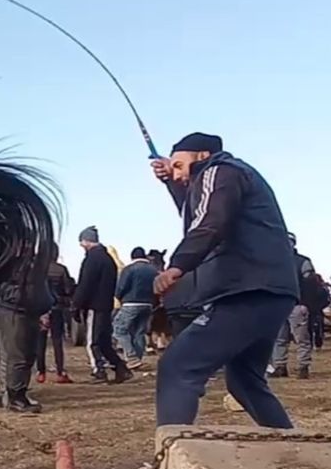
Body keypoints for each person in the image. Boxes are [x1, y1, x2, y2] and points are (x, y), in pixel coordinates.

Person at [148, 133, 298, 432]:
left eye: (178, 165)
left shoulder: (219, 171)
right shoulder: (232, 175)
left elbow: (209, 221)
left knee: (178, 366)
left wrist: (178, 266)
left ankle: (170, 452)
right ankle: (295, 448)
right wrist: (171, 182)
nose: (176, 173)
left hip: (246, 289)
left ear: (202, 156)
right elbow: (198, 211)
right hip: (271, 289)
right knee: (244, 381)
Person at [72, 226, 132, 384]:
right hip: (106, 304)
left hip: (95, 305)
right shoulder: (108, 259)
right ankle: (120, 368)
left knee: (93, 341)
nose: (81, 246)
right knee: (104, 341)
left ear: (86, 241)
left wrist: (76, 304)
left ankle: (99, 370)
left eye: (81, 242)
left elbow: (85, 284)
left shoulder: (92, 259)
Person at [0, 257, 52, 414]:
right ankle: (15, 398)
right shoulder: (12, 264)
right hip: (15, 310)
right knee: (17, 356)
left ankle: (19, 394)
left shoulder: (29, 264)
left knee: (26, 356)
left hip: (26, 309)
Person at [270, 233, 317, 379]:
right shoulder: (274, 261)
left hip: (297, 305)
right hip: (278, 305)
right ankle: (280, 366)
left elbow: (311, 285)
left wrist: (306, 304)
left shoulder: (302, 262)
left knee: (301, 338)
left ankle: (303, 367)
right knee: (279, 338)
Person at [113, 247, 158, 369]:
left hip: (130, 302)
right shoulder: (154, 270)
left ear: (132, 257)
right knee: (139, 332)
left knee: (119, 329)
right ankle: (138, 358)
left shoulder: (129, 269)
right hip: (148, 304)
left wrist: (118, 297)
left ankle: (131, 358)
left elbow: (121, 286)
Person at [36, 243, 75, 384]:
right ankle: (60, 372)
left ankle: (41, 372)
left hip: (40, 308)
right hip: (57, 307)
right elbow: (68, 289)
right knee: (57, 340)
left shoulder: (37, 269)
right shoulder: (61, 269)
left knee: (40, 341)